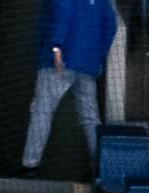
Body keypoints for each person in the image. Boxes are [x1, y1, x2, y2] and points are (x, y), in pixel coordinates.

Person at [19, 0, 116, 178]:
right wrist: (97, 56)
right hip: (88, 63)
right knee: (90, 117)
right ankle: (99, 167)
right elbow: (110, 25)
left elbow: (63, 11)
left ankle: (30, 166)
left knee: (42, 111)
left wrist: (57, 46)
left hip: (59, 62)